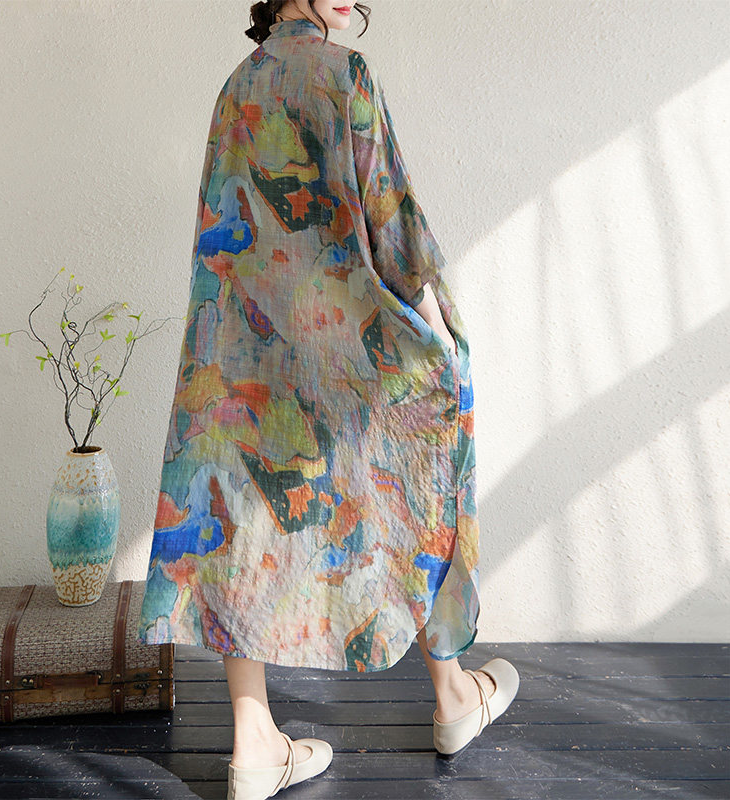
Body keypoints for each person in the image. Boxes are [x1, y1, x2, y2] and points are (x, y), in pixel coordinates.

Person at [136, 1, 520, 798]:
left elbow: (220, 238)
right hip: (346, 352)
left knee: (238, 510)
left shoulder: (236, 87)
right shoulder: (347, 75)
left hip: (243, 353)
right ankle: (453, 694)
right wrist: (439, 328)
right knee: (419, 467)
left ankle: (253, 742)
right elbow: (393, 221)